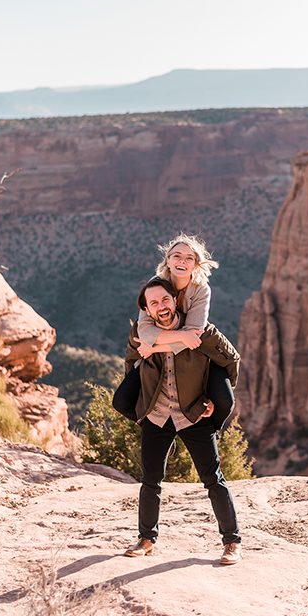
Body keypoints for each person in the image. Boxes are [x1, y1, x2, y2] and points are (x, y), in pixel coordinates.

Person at [119, 275, 243, 565]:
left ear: (175, 300)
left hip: (193, 413)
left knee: (213, 479)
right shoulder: (141, 333)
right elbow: (130, 364)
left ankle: (232, 542)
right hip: (157, 415)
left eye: (165, 299)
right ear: (147, 311)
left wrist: (214, 397)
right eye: (154, 303)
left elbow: (230, 359)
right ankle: (147, 539)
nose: (161, 306)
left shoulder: (200, 331)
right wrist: (141, 402)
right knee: (150, 480)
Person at [113, 234, 234, 429]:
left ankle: (207, 432)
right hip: (168, 348)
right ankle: (156, 429)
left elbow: (194, 335)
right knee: (121, 401)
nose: (182, 262)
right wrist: (181, 337)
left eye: (189, 258)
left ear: (195, 264)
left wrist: (153, 349)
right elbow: (145, 332)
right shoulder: (156, 284)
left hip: (200, 350)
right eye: (176, 256)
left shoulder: (201, 289)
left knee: (225, 401)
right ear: (167, 260)